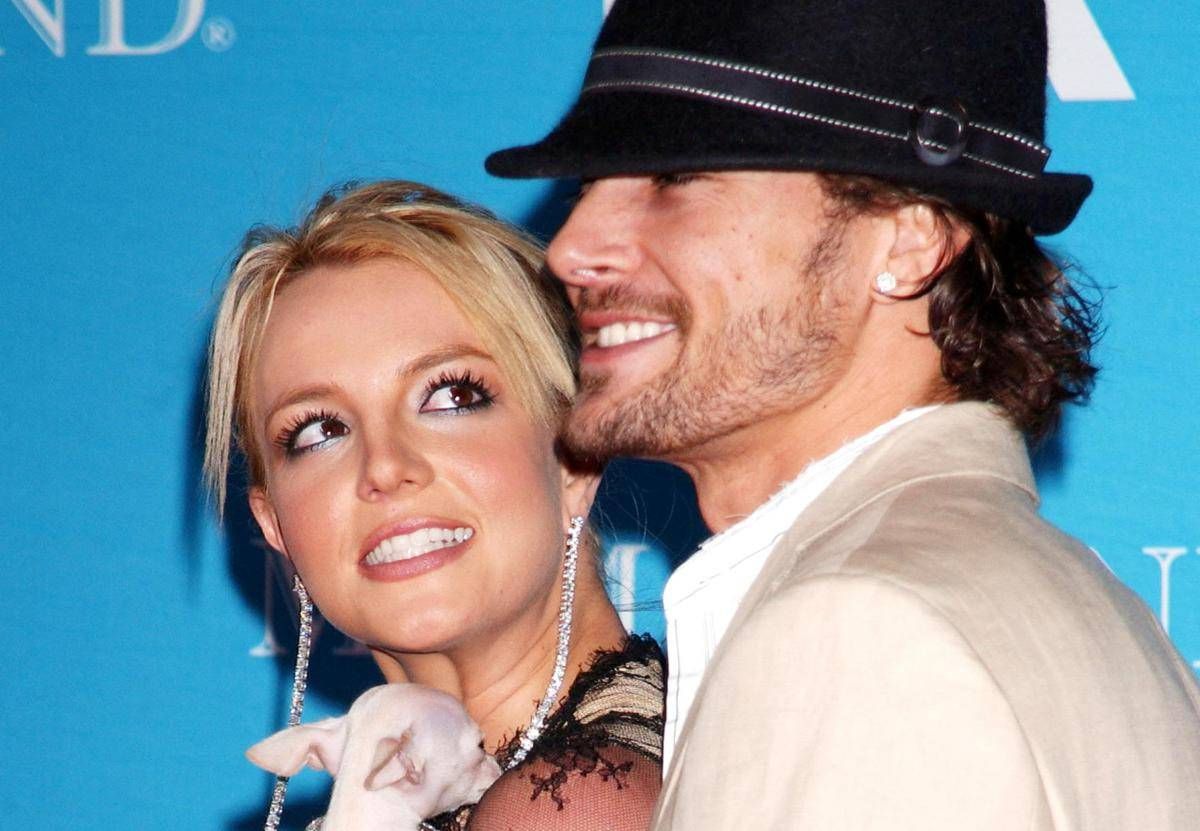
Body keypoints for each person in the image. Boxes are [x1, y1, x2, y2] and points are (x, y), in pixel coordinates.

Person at [484, 1, 1200, 829]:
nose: (571, 248)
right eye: (587, 186)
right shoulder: (1097, 620)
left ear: (909, 240)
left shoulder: (860, 630)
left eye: (673, 178)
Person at [203, 181, 664, 831]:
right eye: (319, 430)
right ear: (275, 524)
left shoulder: (579, 804)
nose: (384, 467)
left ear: (573, 453)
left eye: (451, 395)